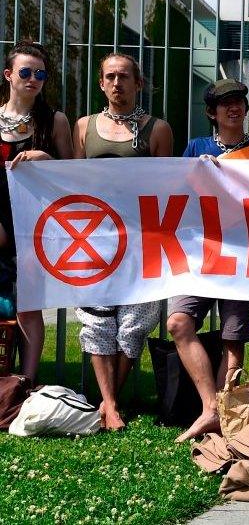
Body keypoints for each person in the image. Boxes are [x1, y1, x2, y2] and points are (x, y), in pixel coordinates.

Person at [171, 79, 249, 442]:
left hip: (244, 255)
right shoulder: (196, 147)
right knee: (178, 322)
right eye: (226, 103)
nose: (234, 108)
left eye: (239, 102)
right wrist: (196, 173)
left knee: (234, 337)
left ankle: (224, 411)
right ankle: (210, 409)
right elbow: (176, 194)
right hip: (201, 254)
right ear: (212, 113)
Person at [73, 52, 173, 430]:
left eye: (125, 77)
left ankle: (107, 397)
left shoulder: (158, 129)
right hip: (95, 237)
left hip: (142, 238)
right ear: (102, 83)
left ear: (138, 83)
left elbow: (168, 189)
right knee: (97, 320)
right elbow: (71, 184)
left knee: (136, 319)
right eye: (111, 77)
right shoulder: (84, 126)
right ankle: (111, 404)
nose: (118, 83)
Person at [0, 41, 72, 385]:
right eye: (25, 72)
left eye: (40, 73)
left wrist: (47, 160)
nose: (33, 79)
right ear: (9, 75)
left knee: (29, 307)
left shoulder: (54, 120)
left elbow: (76, 176)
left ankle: (25, 382)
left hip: (34, 224)